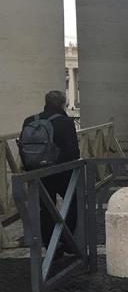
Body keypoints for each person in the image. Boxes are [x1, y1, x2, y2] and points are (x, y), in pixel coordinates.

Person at [22, 90, 80, 255]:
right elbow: (72, 151)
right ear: (62, 103)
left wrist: (30, 168)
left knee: (45, 209)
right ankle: (67, 240)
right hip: (61, 172)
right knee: (73, 202)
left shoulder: (29, 120)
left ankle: (51, 247)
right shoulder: (65, 122)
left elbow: (23, 148)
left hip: (37, 172)